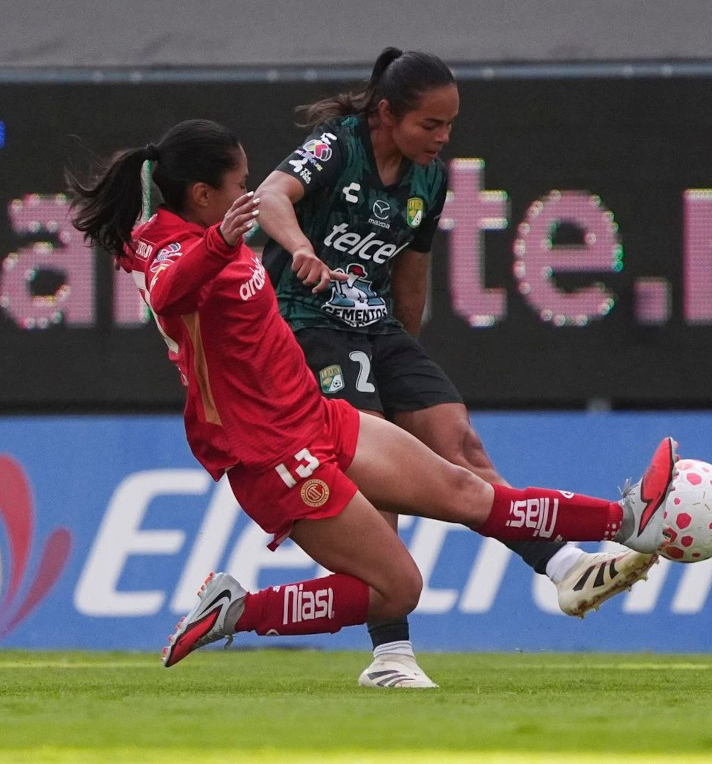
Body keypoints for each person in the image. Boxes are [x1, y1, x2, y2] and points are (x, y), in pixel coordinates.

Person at [66, 119, 680, 674]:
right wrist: (221, 245)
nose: (249, 193)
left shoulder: (165, 233)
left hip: (316, 416)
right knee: (398, 588)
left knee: (468, 491)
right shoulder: (182, 253)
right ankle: (240, 611)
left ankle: (627, 520)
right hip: (272, 455)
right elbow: (168, 289)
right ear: (203, 196)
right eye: (241, 183)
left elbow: (140, 244)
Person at [254, 47, 658, 688]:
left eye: (449, 125)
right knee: (374, 476)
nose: (442, 139)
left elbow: (412, 276)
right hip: (307, 325)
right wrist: (301, 247)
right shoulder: (336, 146)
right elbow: (269, 196)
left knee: (461, 446)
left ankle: (565, 571)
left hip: (378, 330)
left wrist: (402, 357)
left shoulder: (429, 179)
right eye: (430, 125)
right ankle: (390, 656)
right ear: (387, 114)